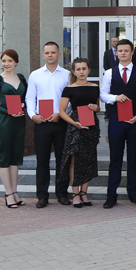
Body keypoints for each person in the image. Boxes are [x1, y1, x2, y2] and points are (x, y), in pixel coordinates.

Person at [99, 39, 136, 208]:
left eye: (126, 50)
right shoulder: (109, 73)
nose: (123, 53)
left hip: (135, 121)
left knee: (133, 158)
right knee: (115, 158)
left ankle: (133, 193)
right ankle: (111, 194)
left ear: (132, 52)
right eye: (120, 51)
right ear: (116, 53)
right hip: (116, 121)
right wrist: (115, 97)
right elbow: (103, 95)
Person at [25, 42, 72, 207]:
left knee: (62, 160)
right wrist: (33, 115)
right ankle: (42, 196)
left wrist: (60, 113)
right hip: (41, 123)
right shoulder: (35, 75)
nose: (50, 55)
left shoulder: (67, 75)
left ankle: (62, 193)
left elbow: (70, 99)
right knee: (42, 161)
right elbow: (30, 98)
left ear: (59, 54)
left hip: (61, 121)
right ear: (43, 55)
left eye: (53, 52)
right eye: (47, 53)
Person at [0, 49, 27, 208]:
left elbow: (26, 98)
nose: (7, 64)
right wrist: (8, 110)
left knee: (16, 157)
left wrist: (24, 105)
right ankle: (8, 193)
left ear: (16, 62)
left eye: (10, 61)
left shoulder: (21, 78)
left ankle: (15, 192)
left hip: (19, 121)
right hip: (5, 122)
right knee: (5, 157)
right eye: (4, 61)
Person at [57, 58, 100, 209]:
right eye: (78, 69)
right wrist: (74, 123)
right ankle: (75, 194)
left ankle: (84, 192)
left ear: (89, 70)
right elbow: (62, 111)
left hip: (91, 125)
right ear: (74, 71)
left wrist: (96, 108)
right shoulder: (69, 89)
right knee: (74, 159)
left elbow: (97, 107)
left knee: (89, 158)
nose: (81, 72)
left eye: (84, 68)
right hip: (75, 126)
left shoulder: (95, 87)